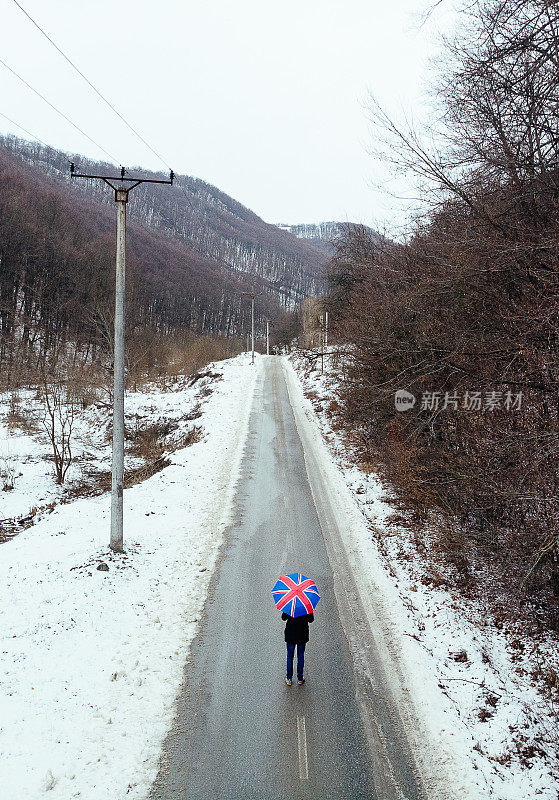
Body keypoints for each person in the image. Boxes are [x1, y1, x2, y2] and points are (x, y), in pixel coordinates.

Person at [282, 610, 314, 685]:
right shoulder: (306, 606)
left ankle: (289, 678)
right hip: (302, 634)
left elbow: (283, 618)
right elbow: (311, 620)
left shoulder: (290, 605)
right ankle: (300, 678)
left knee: (290, 656)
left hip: (290, 634)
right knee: (300, 656)